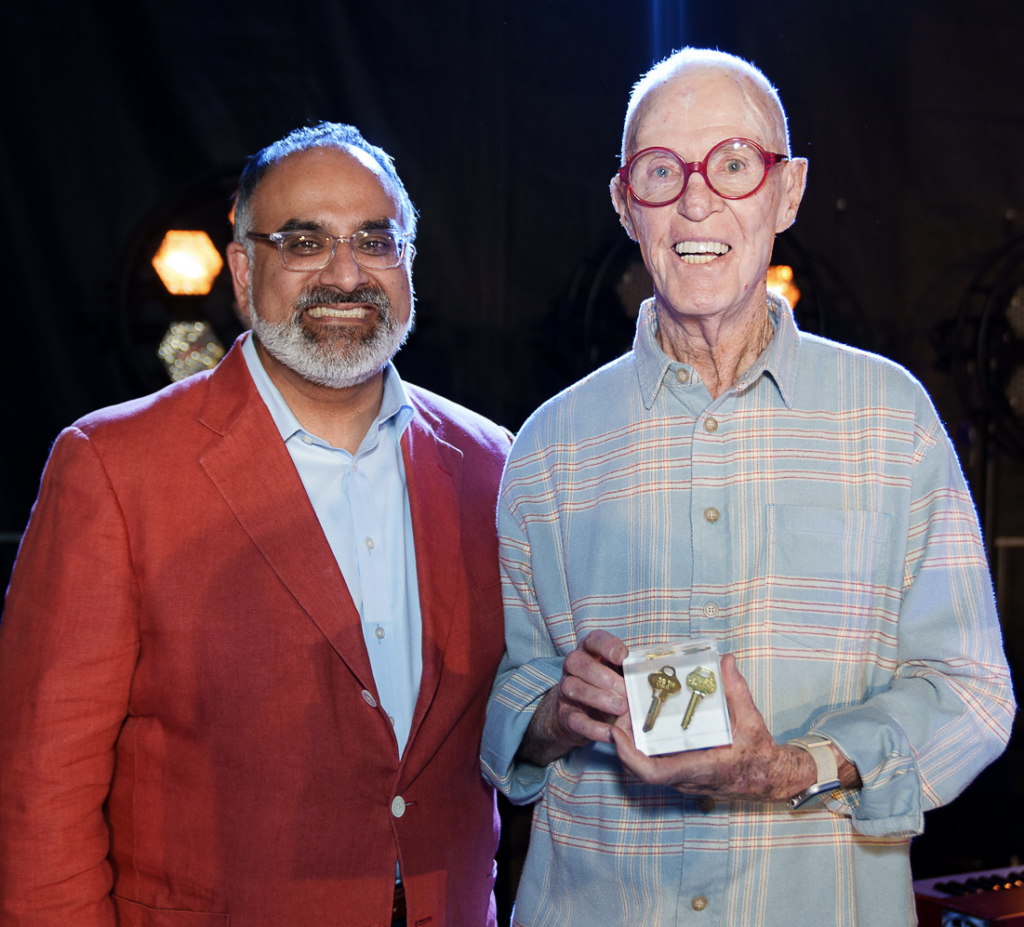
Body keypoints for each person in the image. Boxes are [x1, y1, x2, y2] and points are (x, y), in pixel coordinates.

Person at [481, 48, 1016, 926]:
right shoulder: (550, 445)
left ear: (788, 191)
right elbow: (506, 707)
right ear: (624, 204)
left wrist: (793, 767)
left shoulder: (889, 420)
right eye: (661, 171)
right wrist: (554, 712)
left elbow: (971, 692)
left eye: (733, 164)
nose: (697, 200)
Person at [0, 122, 511, 927]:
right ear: (243, 269)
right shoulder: (111, 467)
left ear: (409, 262)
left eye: (376, 240)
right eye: (304, 241)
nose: (347, 273)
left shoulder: (492, 464)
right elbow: (40, 791)